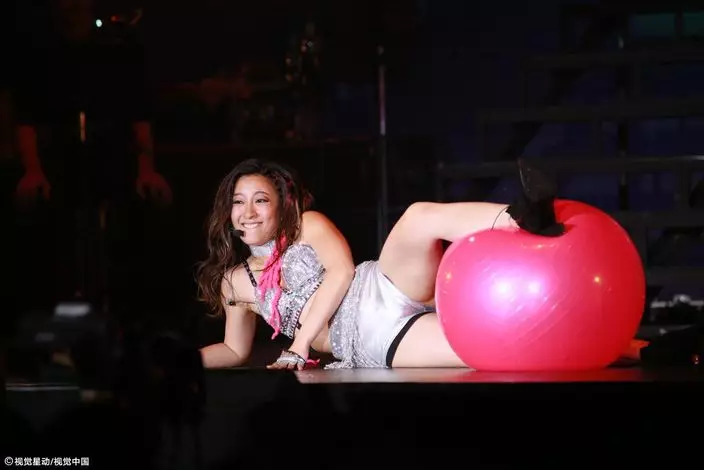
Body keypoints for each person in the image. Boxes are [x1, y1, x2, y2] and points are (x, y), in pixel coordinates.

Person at [197, 158, 648, 370]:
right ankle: (635, 347)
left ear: (281, 205)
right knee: (489, 348)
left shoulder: (306, 225)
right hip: (373, 338)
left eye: (261, 200)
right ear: (227, 211)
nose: (249, 211)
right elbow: (235, 351)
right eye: (239, 202)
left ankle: (524, 218)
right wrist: (178, 365)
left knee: (417, 217)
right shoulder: (234, 283)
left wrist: (298, 346)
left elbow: (342, 272)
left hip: (379, 286)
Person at [10, 0, 172, 315]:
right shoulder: (38, 52)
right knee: (52, 233)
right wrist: (32, 170)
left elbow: (139, 116)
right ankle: (58, 312)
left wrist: (146, 169)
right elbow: (26, 120)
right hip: (59, 163)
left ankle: (129, 312)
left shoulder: (117, 49)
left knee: (135, 224)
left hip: (111, 160)